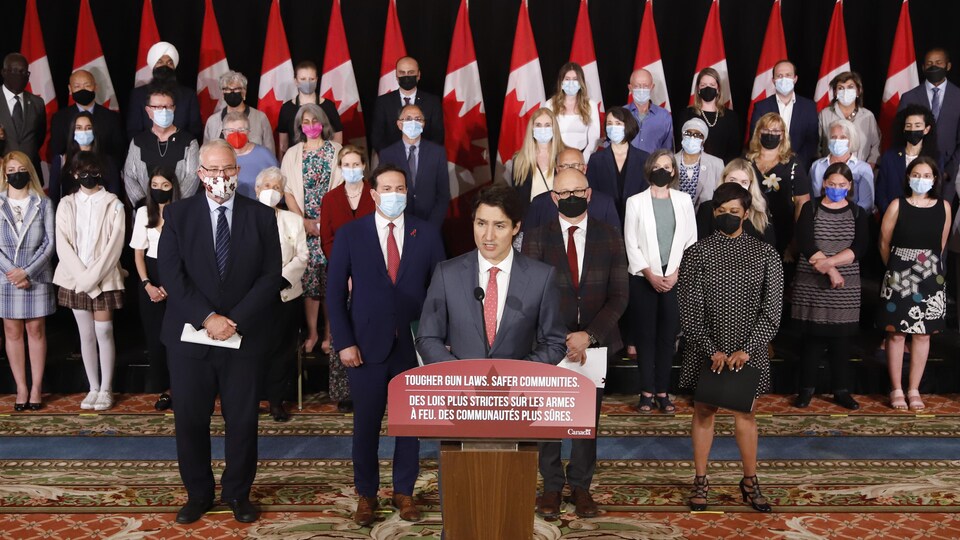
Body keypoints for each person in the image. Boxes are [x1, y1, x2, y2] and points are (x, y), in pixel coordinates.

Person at [158, 139, 281, 525]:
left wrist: (234, 319)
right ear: (200, 174)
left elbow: (270, 276)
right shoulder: (178, 215)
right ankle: (198, 494)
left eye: (227, 169)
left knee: (243, 421)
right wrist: (207, 317)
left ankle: (237, 494)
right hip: (191, 340)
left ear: (238, 171)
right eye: (212, 170)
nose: (221, 177)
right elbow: (171, 276)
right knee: (190, 421)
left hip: (243, 338)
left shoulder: (261, 216)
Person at [326, 164, 445, 526]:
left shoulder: (426, 233)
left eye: (400, 188)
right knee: (366, 426)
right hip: (364, 347)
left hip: (412, 346)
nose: (394, 194)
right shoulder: (350, 234)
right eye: (387, 188)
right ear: (373, 194)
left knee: (408, 426)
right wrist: (343, 342)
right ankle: (366, 494)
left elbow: (440, 290)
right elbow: (334, 294)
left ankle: (404, 492)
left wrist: (436, 341)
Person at [521, 168, 628, 519]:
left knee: (587, 420)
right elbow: (529, 295)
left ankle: (581, 486)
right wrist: (560, 338)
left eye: (577, 191)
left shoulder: (610, 235)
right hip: (550, 342)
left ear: (589, 193)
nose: (570, 198)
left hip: (594, 344)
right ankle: (551, 486)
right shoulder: (536, 238)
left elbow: (619, 296)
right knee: (548, 417)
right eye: (563, 192)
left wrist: (589, 336)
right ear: (553, 197)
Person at [677, 182, 784, 513]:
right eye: (721, 212)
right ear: (713, 213)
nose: (727, 217)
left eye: (734, 213)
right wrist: (711, 349)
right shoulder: (696, 253)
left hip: (747, 350)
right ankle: (700, 480)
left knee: (745, 413)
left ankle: (750, 480)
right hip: (705, 348)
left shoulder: (766, 254)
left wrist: (748, 349)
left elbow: (773, 310)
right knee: (704, 410)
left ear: (747, 214)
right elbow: (688, 308)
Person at [416, 183, 567, 364]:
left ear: (516, 227)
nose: (488, 236)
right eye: (481, 224)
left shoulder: (541, 278)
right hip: (461, 389)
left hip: (516, 389)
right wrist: (458, 376)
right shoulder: (447, 275)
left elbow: (554, 343)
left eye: (499, 226)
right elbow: (427, 338)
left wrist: (518, 375)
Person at [792, 163, 870, 410]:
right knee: (812, 340)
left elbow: (859, 248)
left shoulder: (858, 213)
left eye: (842, 185)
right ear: (824, 183)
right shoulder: (810, 208)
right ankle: (805, 390)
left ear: (849, 187)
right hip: (811, 283)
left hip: (844, 288)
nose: (836, 189)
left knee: (841, 341)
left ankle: (841, 391)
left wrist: (831, 264)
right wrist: (831, 270)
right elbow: (805, 242)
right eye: (832, 184)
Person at [624, 150, 697, 413]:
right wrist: (650, 274)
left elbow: (691, 241)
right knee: (645, 337)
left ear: (674, 171)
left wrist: (675, 273)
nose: (662, 170)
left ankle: (663, 392)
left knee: (668, 338)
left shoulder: (684, 200)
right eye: (657, 166)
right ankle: (645, 392)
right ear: (649, 170)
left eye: (667, 166)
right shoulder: (635, 202)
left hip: (674, 278)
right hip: (644, 278)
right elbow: (631, 243)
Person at [52, 151, 126, 412]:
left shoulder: (113, 203)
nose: (89, 176)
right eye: (83, 171)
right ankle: (93, 387)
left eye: (94, 171)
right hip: (75, 279)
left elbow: (114, 247)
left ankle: (107, 388)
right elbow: (63, 245)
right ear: (74, 174)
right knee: (85, 335)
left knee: (104, 331)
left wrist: (92, 279)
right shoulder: (66, 204)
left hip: (103, 279)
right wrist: (83, 279)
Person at [878, 156, 951, 411]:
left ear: (934, 179)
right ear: (908, 177)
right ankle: (896, 388)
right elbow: (884, 243)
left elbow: (940, 245)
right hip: (899, 275)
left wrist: (924, 267)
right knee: (896, 334)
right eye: (916, 175)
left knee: (923, 335)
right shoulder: (897, 205)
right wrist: (899, 268)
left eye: (926, 176)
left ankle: (914, 389)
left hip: (930, 277)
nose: (921, 180)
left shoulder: (944, 207)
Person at [280, 103, 342, 355]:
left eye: (315, 121)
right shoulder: (293, 153)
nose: (311, 126)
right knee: (310, 284)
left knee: (330, 283)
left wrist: (323, 223)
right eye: (306, 122)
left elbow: (341, 189)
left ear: (323, 124)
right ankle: (313, 333)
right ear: (299, 126)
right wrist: (304, 222)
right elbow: (288, 191)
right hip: (304, 228)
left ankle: (330, 334)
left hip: (331, 228)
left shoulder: (336, 150)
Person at [319, 146, 375, 413]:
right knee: (342, 324)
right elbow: (326, 239)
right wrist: (346, 272)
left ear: (364, 165)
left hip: (373, 272)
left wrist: (362, 272)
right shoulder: (330, 199)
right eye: (346, 164)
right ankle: (345, 391)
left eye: (356, 164)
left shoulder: (375, 196)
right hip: (341, 273)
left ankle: (374, 383)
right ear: (339, 168)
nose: (351, 168)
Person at [1, 152, 55, 411]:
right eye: (11, 169)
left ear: (30, 171)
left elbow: (50, 243)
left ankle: (36, 388)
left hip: (36, 277)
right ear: (4, 173)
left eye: (21, 168)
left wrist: (28, 272)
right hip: (6, 279)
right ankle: (21, 387)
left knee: (36, 331)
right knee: (12, 332)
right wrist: (13, 271)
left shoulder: (43, 202)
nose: (16, 173)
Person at [253, 167, 308, 422]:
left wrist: (278, 280)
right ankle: (251, 399)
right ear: (257, 190)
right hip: (252, 298)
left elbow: (302, 256)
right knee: (253, 351)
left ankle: (276, 402)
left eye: (277, 188)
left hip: (285, 295)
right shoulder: (244, 218)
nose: (271, 192)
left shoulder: (293, 220)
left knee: (282, 352)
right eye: (267, 187)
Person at [129, 166, 181, 411]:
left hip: (178, 279)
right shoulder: (142, 213)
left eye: (165, 186)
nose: (160, 190)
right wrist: (147, 284)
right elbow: (138, 255)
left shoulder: (183, 211)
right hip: (150, 277)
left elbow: (187, 254)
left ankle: (182, 387)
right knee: (156, 338)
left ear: (174, 188)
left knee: (179, 338)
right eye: (155, 186)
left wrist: (172, 286)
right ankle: (164, 389)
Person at [899, 47, 960, 203]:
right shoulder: (908, 97)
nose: (934, 66)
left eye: (939, 63)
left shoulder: (958, 96)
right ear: (923, 67)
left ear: (948, 66)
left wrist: (948, 171)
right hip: (914, 177)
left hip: (948, 176)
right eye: (930, 63)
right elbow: (901, 135)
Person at [123, 84, 200, 206]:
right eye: (157, 107)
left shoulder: (189, 142)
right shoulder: (138, 141)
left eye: (167, 106)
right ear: (148, 111)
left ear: (174, 109)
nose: (163, 111)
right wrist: (145, 205)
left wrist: (175, 206)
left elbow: (193, 177)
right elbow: (129, 177)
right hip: (146, 212)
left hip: (178, 211)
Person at [746, 112, 811, 255]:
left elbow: (802, 202)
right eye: (766, 130)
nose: (771, 134)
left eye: (775, 131)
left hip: (783, 232)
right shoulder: (746, 162)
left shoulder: (793, 164)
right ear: (758, 132)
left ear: (782, 135)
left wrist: (797, 239)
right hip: (750, 228)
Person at [376, 104, 451, 228]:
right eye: (408, 119)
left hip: (431, 224)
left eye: (418, 119)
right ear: (399, 124)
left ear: (423, 124)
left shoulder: (437, 152)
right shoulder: (387, 154)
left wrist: (432, 226)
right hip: (399, 224)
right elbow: (384, 193)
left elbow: (443, 194)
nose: (413, 123)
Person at [524, 148, 620, 233]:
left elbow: (616, 243)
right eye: (564, 166)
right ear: (557, 169)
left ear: (585, 168)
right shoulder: (539, 203)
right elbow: (526, 241)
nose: (570, 169)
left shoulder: (605, 203)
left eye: (575, 165)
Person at [747, 60, 820, 168]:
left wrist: (795, 165)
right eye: (779, 76)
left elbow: (812, 142)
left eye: (788, 75)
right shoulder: (761, 107)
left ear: (795, 79)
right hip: (767, 167)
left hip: (799, 167)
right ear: (773, 80)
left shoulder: (809, 107)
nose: (784, 79)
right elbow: (756, 138)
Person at [126, 42, 203, 141]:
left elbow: (195, 130)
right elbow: (133, 131)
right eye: (160, 62)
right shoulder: (138, 95)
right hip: (147, 151)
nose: (165, 66)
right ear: (153, 65)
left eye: (170, 63)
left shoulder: (188, 95)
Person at [49, 69, 125, 168]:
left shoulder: (112, 117)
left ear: (95, 87)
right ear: (70, 89)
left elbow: (118, 151)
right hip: (71, 175)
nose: (82, 89)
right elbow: (57, 152)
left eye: (87, 85)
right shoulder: (60, 118)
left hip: (105, 175)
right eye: (77, 86)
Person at [586, 107, 649, 225]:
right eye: (609, 123)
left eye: (618, 123)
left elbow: (646, 193)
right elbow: (593, 194)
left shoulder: (644, 159)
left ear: (628, 125)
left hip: (637, 221)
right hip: (605, 223)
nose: (613, 127)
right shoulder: (596, 159)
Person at [876, 104, 941, 214]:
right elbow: (880, 192)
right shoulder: (889, 156)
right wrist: (891, 214)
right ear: (903, 129)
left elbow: (938, 191)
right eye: (908, 126)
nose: (912, 129)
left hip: (924, 217)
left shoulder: (935, 158)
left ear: (926, 129)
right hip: (892, 216)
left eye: (917, 125)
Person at [370, 56, 443, 153]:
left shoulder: (432, 101)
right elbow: (377, 137)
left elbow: (437, 135)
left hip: (424, 158)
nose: (406, 76)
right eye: (402, 73)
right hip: (392, 160)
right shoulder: (383, 102)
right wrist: (390, 156)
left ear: (418, 75)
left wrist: (423, 156)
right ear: (396, 76)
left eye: (411, 72)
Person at [696, 159, 776, 246]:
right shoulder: (707, 208)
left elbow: (770, 246)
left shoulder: (760, 211)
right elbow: (700, 243)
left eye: (744, 182)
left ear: (750, 184)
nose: (737, 186)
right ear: (724, 179)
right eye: (733, 180)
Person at [50, 112, 123, 207]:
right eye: (79, 128)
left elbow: (114, 194)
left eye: (88, 128)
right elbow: (53, 196)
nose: (83, 131)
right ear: (73, 131)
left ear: (94, 131)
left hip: (101, 214)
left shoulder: (108, 161)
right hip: (69, 215)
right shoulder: (61, 160)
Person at [508, 108, 565, 218]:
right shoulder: (520, 160)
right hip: (530, 219)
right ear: (532, 129)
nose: (543, 129)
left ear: (554, 128)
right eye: (538, 125)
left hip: (559, 218)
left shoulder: (564, 156)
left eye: (547, 125)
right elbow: (517, 198)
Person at [277, 60, 343, 156]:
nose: (307, 82)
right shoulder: (287, 108)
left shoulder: (328, 106)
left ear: (316, 79)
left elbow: (338, 140)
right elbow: (283, 145)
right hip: (296, 161)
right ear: (296, 81)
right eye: (303, 79)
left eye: (311, 79)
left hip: (325, 160)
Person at [809, 119, 875, 213]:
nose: (837, 141)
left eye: (843, 137)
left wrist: (844, 217)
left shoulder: (863, 169)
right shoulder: (816, 166)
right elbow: (810, 198)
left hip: (852, 221)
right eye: (833, 137)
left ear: (851, 140)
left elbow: (866, 203)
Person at [202, 71, 275, 155]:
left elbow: (270, 152)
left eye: (236, 89)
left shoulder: (260, 118)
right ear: (222, 93)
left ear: (244, 92)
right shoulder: (212, 121)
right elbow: (205, 152)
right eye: (227, 89)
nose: (232, 92)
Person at [817, 71, 881, 167]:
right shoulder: (825, 114)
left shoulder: (868, 116)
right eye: (840, 88)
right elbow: (816, 146)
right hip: (830, 173)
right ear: (835, 92)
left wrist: (868, 167)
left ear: (858, 91)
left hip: (860, 173)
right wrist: (823, 167)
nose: (845, 91)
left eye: (850, 87)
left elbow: (876, 145)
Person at [677, 67, 741, 163]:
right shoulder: (687, 114)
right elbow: (680, 146)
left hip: (722, 171)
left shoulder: (731, 117)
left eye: (712, 85)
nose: (708, 88)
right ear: (698, 89)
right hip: (692, 169)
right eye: (703, 85)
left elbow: (734, 152)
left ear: (718, 89)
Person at [0, 53, 46, 180]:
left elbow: (39, 137)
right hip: (2, 175)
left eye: (23, 72)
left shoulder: (38, 103)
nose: (19, 75)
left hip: (31, 174)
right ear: (4, 72)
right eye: (14, 71)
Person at [549, 62, 601, 162]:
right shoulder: (550, 104)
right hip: (557, 160)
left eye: (575, 79)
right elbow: (548, 138)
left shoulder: (591, 105)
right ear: (561, 82)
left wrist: (582, 161)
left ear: (581, 82)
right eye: (567, 79)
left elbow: (594, 139)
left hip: (583, 159)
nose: (571, 83)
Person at [222, 111, 278, 200]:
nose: (236, 134)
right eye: (231, 130)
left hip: (258, 209)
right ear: (224, 134)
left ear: (248, 132)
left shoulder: (265, 155)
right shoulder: (218, 156)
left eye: (241, 130)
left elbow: (278, 187)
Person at [674, 118, 724, 209]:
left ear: (703, 140)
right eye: (688, 133)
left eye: (697, 135)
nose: (692, 137)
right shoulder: (671, 161)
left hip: (704, 219)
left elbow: (721, 197)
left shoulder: (716, 164)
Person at [625, 68, 673, 153]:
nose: (641, 89)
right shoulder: (620, 114)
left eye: (645, 86)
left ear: (652, 87)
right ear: (630, 88)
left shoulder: (664, 117)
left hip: (653, 165)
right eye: (637, 86)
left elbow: (667, 151)